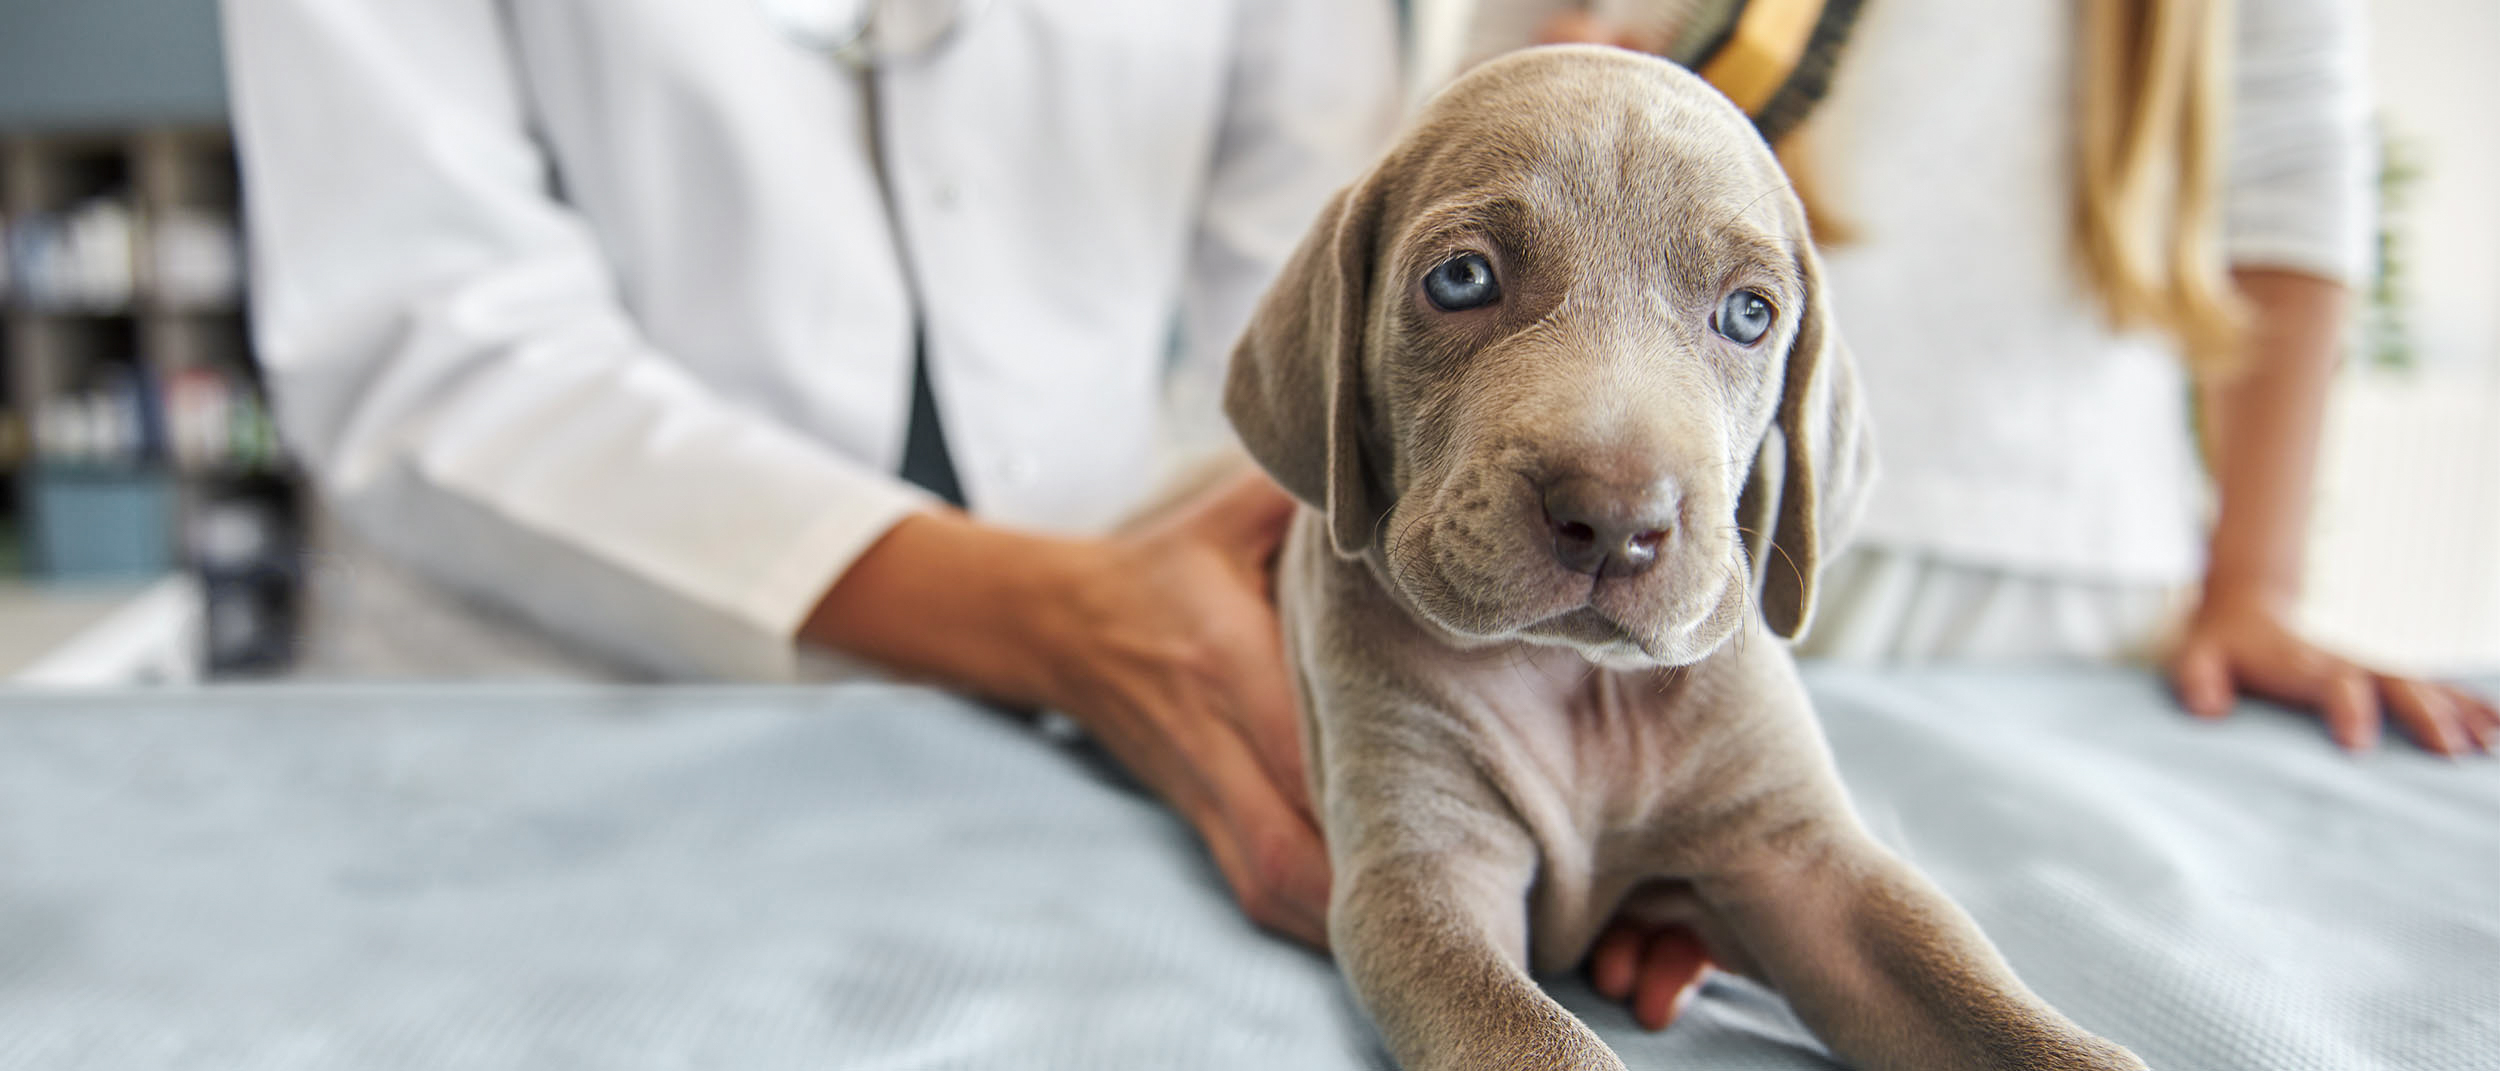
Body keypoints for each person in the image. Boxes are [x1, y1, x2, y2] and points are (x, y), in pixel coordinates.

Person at [221, 0, 1401, 949]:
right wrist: (1073, 625)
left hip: (1111, 726)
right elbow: (429, 341)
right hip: (568, 708)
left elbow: (1314, 280)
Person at [1416, 0, 2496, 1033]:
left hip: (2064, 590)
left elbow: (2288, 166)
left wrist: (2254, 584)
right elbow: (1467, 102)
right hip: (1665, 537)